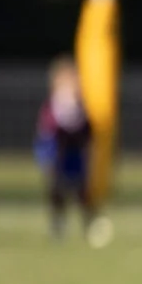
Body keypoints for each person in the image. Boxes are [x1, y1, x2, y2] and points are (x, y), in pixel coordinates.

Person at [34, 57, 109, 247]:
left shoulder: (79, 104)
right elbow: (47, 130)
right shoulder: (54, 105)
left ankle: (89, 223)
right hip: (59, 154)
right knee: (57, 190)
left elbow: (88, 130)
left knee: (82, 192)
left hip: (75, 154)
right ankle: (58, 223)